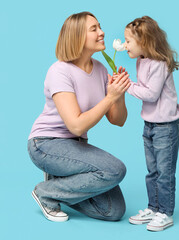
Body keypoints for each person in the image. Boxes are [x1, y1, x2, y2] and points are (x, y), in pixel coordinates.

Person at [28, 11, 131, 222]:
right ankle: (45, 192)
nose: (102, 32)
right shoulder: (59, 71)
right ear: (77, 37)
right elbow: (75, 125)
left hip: (77, 146)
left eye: (100, 27)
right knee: (115, 170)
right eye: (94, 29)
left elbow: (118, 120)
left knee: (113, 211)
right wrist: (109, 97)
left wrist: (118, 96)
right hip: (47, 144)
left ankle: (59, 182)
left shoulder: (101, 70)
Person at [123, 16, 179, 232]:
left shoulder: (159, 63)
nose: (125, 45)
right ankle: (154, 207)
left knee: (164, 173)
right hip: (149, 124)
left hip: (166, 127)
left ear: (145, 42)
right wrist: (128, 81)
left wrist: (127, 86)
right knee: (153, 171)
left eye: (129, 41)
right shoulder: (141, 60)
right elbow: (142, 85)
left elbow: (150, 94)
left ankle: (165, 213)